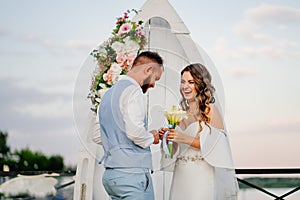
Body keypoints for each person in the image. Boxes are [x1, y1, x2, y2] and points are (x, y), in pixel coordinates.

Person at [159, 63, 239, 199]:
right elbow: (173, 152)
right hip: (181, 174)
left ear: (200, 84)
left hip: (201, 174)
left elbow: (215, 146)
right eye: (182, 82)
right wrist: (168, 139)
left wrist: (181, 137)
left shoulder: (209, 110)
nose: (185, 86)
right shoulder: (181, 112)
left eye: (191, 82)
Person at [98, 51, 164, 200]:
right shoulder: (133, 91)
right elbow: (135, 134)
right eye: (155, 78)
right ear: (148, 70)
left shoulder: (108, 94)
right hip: (131, 176)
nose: (153, 85)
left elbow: (97, 135)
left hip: (111, 176)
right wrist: (152, 137)